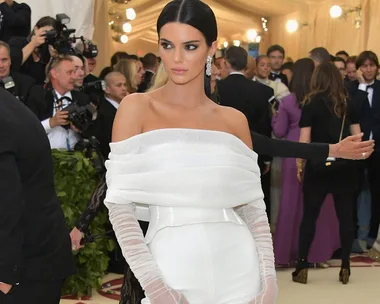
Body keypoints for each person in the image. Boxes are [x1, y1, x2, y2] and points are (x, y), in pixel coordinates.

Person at [0, 88, 76, 303]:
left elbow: (6, 203)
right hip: (33, 255)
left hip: (25, 265)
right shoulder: (8, 106)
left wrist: (4, 273)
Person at [293, 62, 362, 285]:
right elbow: (357, 137)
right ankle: (345, 266)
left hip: (318, 164)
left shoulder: (310, 102)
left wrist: (300, 164)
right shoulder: (347, 102)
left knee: (310, 217)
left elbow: (304, 140)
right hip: (345, 166)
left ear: (317, 78)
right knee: (345, 217)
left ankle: (302, 267)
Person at [272, 58, 340, 266]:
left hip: (294, 154)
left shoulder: (288, 101)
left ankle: (286, 254)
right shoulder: (323, 100)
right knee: (318, 206)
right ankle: (317, 255)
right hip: (318, 152)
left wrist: (274, 116)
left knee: (291, 206)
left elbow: (280, 131)